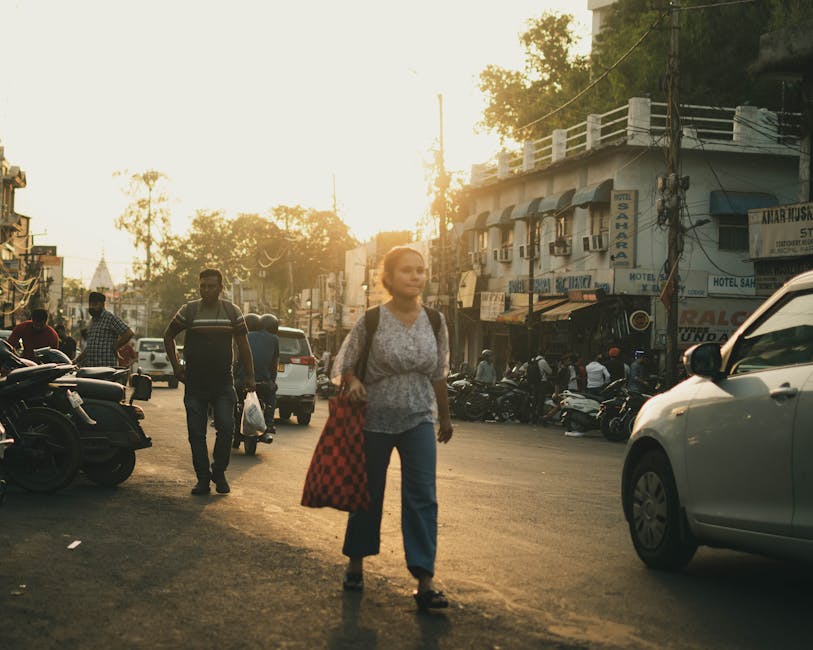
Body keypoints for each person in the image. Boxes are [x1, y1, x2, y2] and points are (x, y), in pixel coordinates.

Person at [331, 245, 453, 610]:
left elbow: (439, 373)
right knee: (367, 496)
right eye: (407, 270)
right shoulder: (371, 319)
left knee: (423, 498)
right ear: (388, 277)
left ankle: (425, 579)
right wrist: (352, 382)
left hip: (419, 417)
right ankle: (356, 562)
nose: (415, 276)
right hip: (374, 420)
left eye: (420, 270)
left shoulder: (435, 320)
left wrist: (445, 417)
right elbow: (345, 364)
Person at [163, 269, 256, 496]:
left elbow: (244, 345)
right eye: (203, 286)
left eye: (211, 286)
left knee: (226, 427)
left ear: (220, 288)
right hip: (195, 383)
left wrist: (251, 376)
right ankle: (203, 479)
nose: (206, 290)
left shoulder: (232, 312)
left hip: (224, 382)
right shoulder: (190, 310)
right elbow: (168, 336)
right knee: (196, 433)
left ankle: (220, 472)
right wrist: (176, 367)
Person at [235, 312, 279, 443]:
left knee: (231, 396)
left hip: (243, 382)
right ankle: (269, 422)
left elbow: (236, 361)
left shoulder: (243, 337)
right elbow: (274, 365)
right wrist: (272, 381)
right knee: (272, 393)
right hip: (264, 383)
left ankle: (229, 421)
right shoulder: (274, 340)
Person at [75, 292, 134, 367]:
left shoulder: (110, 318)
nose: (92, 307)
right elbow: (89, 348)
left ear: (102, 305)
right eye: (90, 305)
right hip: (91, 369)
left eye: (95, 304)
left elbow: (129, 333)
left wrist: (116, 346)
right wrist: (76, 360)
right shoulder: (92, 322)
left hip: (106, 368)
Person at [528, 350, 553, 423]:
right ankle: (539, 417)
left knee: (535, 400)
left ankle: (533, 417)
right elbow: (550, 371)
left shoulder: (533, 360)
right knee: (540, 400)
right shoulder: (543, 361)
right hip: (542, 382)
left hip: (534, 383)